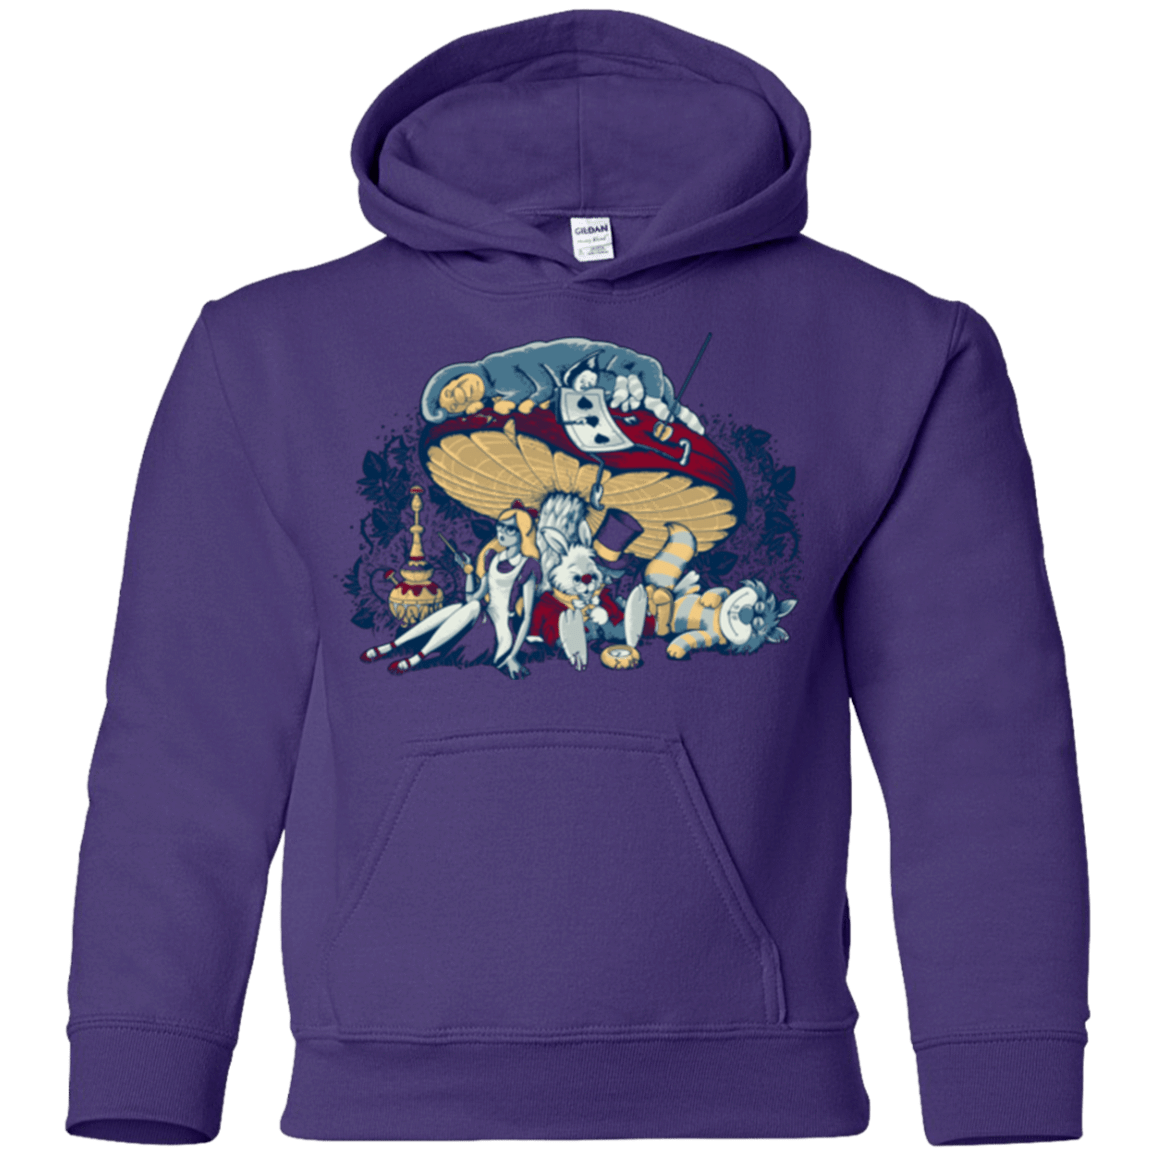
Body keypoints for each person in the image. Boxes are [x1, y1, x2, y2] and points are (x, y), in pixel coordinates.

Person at [359, 502, 540, 678]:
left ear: (523, 533)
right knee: (463, 607)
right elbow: (472, 598)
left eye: (510, 529)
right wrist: (468, 573)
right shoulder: (492, 557)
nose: (502, 532)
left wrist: (512, 656)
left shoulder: (528, 566)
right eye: (501, 526)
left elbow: (527, 617)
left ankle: (417, 658)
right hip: (482, 617)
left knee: (473, 607)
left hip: (501, 630)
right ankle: (392, 646)